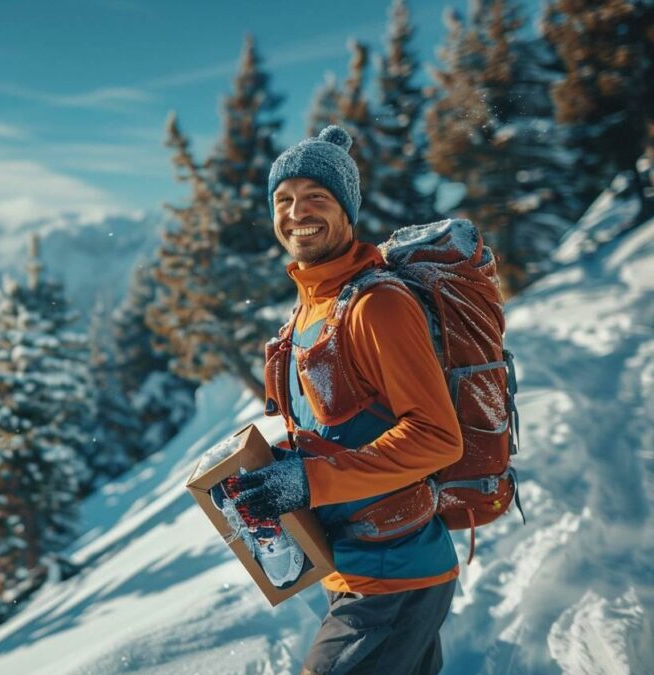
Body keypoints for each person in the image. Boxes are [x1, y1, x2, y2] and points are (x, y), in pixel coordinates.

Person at [232, 125, 464, 674]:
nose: (297, 213)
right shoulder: (309, 310)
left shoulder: (376, 306)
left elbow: (437, 437)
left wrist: (311, 481)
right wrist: (279, 473)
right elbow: (346, 430)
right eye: (284, 200)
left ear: (347, 210)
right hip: (353, 565)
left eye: (317, 197)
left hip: (394, 573)